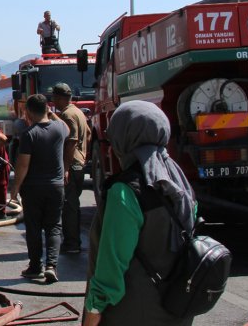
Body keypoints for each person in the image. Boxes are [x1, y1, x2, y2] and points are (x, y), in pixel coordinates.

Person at [83, 101, 197, 326]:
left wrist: (93, 312)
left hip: (133, 312)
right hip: (178, 307)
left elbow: (111, 265)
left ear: (123, 138)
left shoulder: (125, 191)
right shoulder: (179, 181)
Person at [13, 94, 67, 284]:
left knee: (34, 227)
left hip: (33, 187)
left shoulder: (29, 134)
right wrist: (51, 114)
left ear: (27, 111)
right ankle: (52, 266)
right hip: (56, 186)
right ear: (47, 109)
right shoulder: (60, 128)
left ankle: (36, 266)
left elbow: (23, 165)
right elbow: (68, 128)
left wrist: (15, 188)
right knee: (54, 226)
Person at [52, 83, 90, 254]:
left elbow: (72, 140)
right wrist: (83, 154)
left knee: (69, 206)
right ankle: (72, 241)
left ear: (60, 98)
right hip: (79, 163)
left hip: (72, 165)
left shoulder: (67, 115)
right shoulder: (78, 111)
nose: (53, 101)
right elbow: (88, 133)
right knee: (73, 204)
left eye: (54, 98)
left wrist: (66, 167)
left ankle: (71, 243)